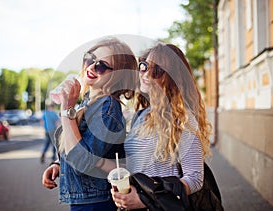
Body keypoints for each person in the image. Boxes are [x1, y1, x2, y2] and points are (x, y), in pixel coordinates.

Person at [111, 42, 212, 210]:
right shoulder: (139, 116)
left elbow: (194, 178)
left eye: (157, 71)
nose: (147, 75)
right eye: (144, 67)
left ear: (174, 78)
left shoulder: (182, 119)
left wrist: (145, 200)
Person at [42, 37, 138, 211]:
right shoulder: (89, 102)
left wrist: (67, 108)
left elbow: (82, 163)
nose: (92, 66)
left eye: (101, 65)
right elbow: (77, 145)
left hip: (96, 203)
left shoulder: (107, 108)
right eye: (89, 58)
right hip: (85, 200)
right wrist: (58, 164)